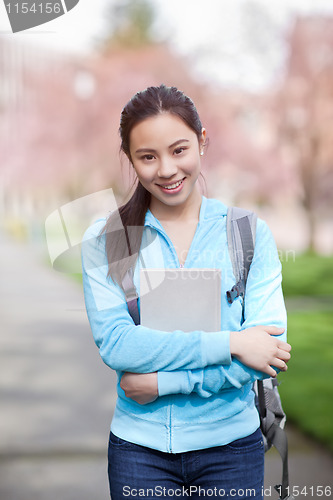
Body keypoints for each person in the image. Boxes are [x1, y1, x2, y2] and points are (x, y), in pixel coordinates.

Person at [81, 84, 291, 500]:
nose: (166, 170)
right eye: (147, 157)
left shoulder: (246, 233)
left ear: (202, 142)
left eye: (179, 150)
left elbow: (267, 353)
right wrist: (232, 342)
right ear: (130, 159)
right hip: (139, 454)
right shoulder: (109, 238)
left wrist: (163, 384)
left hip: (232, 450)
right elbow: (119, 345)